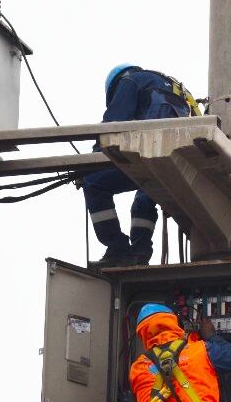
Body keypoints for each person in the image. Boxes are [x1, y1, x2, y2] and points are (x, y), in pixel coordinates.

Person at [84, 64, 201, 267]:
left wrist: (91, 161)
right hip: (179, 164)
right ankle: (140, 251)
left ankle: (118, 249)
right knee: (145, 196)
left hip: (148, 156)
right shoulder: (178, 90)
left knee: (93, 182)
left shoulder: (129, 81)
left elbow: (114, 123)